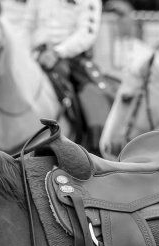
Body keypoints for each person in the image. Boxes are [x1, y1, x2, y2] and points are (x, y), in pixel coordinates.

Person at [25, 0, 115, 151]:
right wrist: (30, 53)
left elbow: (87, 33)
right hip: (36, 56)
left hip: (73, 59)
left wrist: (57, 52)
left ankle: (94, 150)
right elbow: (27, 26)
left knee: (96, 98)